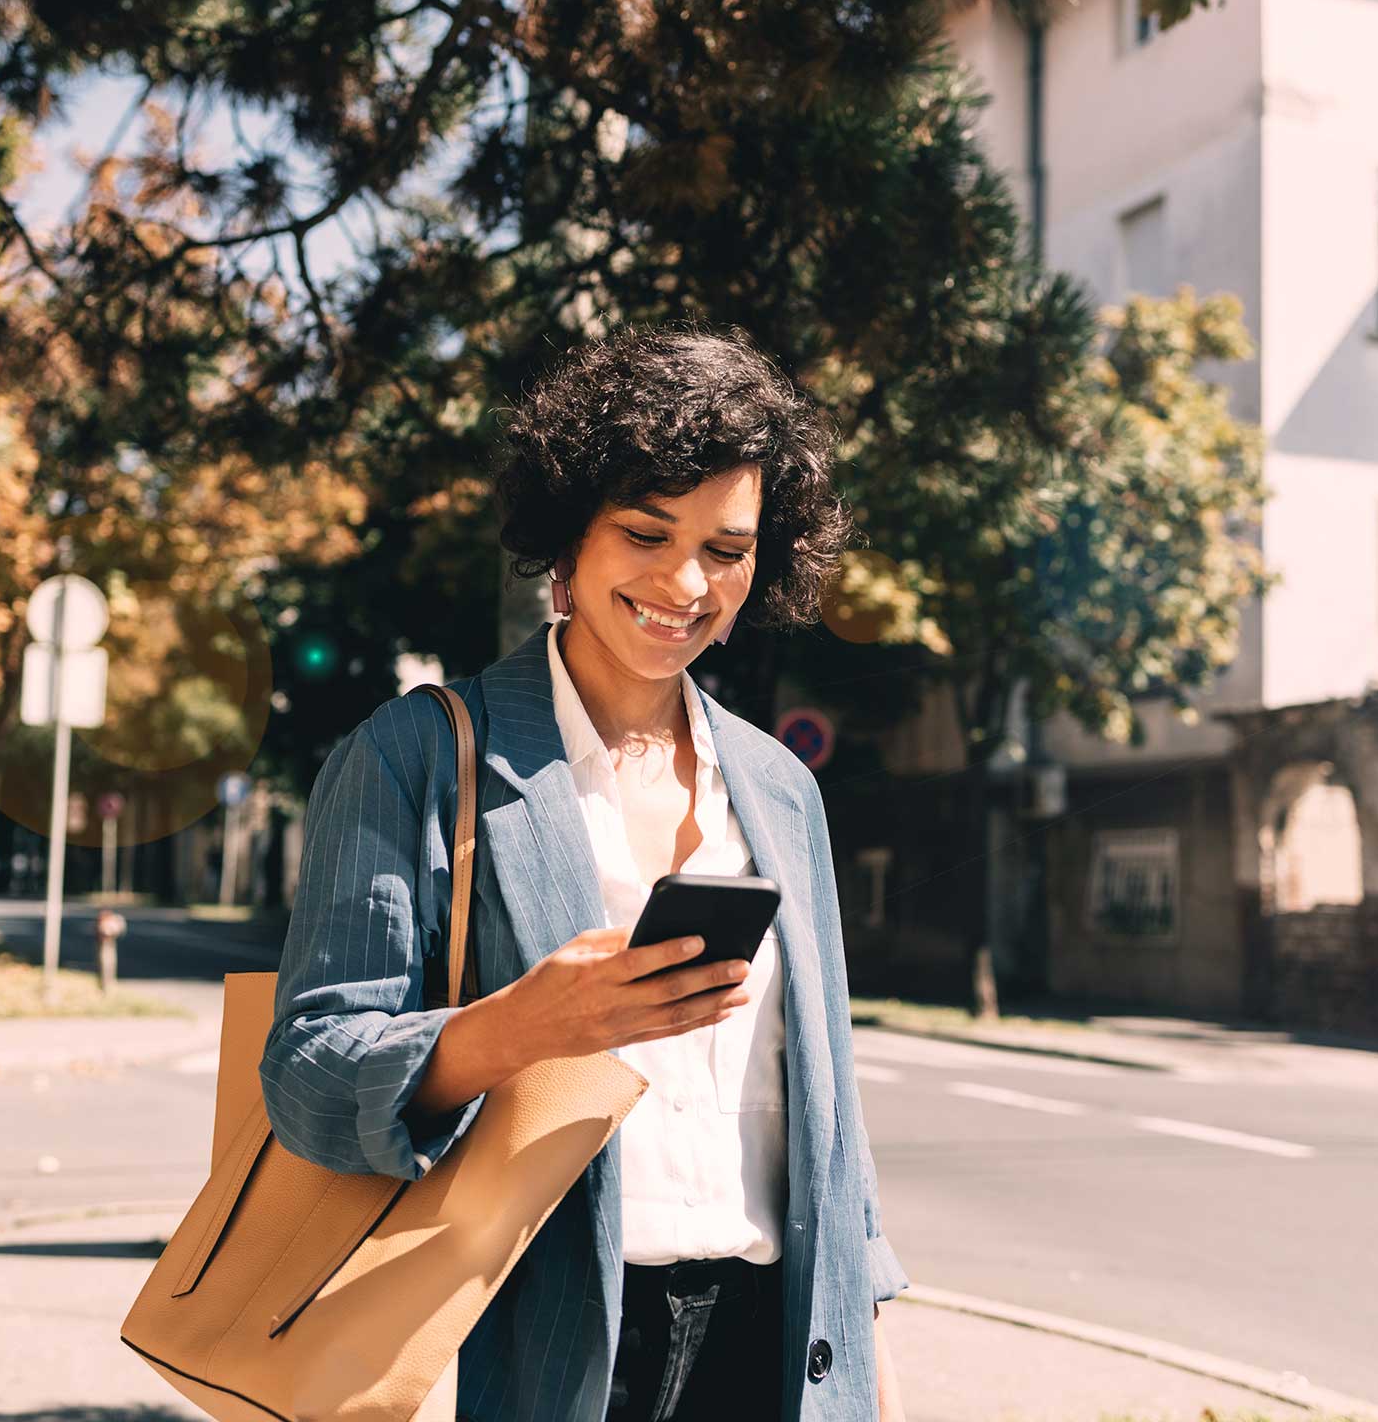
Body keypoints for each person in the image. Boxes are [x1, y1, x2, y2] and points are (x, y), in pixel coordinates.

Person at [260, 327, 908, 1422]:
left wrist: (875, 1379)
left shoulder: (780, 788)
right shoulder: (414, 756)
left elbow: (831, 1122)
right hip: (546, 1343)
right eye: (647, 532)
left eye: (728, 547)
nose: (686, 580)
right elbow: (310, 1075)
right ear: (570, 535)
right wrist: (518, 1025)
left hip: (773, 1342)